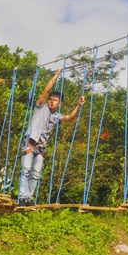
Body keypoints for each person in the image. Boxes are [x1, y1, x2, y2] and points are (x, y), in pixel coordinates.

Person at [17, 68, 84, 207]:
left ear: (59, 104)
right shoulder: (41, 106)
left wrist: (79, 105)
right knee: (26, 170)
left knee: (35, 174)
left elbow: (70, 118)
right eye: (51, 100)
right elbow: (46, 91)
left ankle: (28, 198)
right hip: (30, 142)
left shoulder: (56, 116)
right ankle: (22, 197)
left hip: (41, 147)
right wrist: (56, 75)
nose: (52, 102)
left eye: (55, 101)